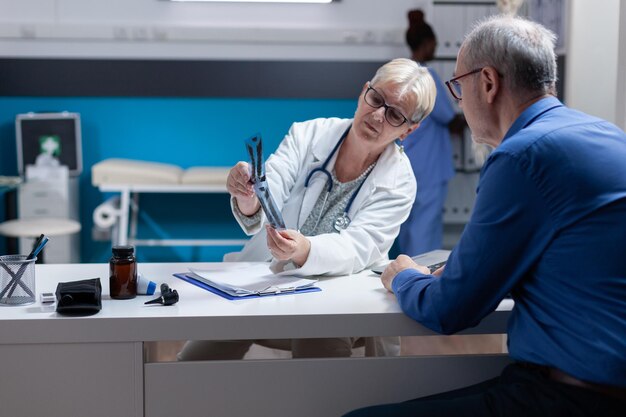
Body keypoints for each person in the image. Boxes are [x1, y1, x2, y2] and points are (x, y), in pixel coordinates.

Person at [345, 15, 626, 417]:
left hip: (575, 395)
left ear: (489, 83)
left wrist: (403, 275)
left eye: (459, 87)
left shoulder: (521, 156)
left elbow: (449, 310)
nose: (459, 100)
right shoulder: (607, 135)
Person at [178, 58, 437, 361]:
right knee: (197, 357)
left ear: (408, 130)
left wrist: (305, 250)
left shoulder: (399, 182)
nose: (378, 115)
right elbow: (271, 183)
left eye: (394, 115)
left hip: (340, 288)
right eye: (376, 99)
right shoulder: (309, 134)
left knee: (319, 345)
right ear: (363, 92)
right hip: (268, 275)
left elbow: (358, 246)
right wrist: (249, 197)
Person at [397, 9, 459, 256]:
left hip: (407, 162)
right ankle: (422, 280)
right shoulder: (427, 77)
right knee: (426, 230)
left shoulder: (401, 75)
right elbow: (447, 117)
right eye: (434, 43)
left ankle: (404, 275)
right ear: (425, 44)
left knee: (407, 225)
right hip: (430, 168)